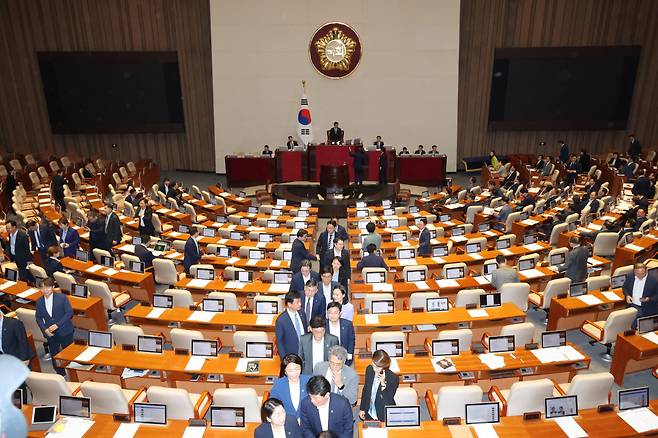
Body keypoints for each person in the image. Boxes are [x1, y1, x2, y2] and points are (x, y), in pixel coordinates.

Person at [35, 278, 73, 375]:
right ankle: (60, 373)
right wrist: (44, 330)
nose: (45, 290)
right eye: (42, 288)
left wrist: (57, 325)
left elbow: (69, 313)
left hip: (65, 330)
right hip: (50, 332)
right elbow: (38, 317)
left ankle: (73, 372)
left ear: (53, 287)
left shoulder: (62, 298)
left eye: (47, 287)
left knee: (69, 353)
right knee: (54, 354)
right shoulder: (39, 301)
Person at [359, 350, 399, 422]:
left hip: (383, 414)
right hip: (369, 412)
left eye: (378, 367)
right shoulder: (369, 369)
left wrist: (383, 384)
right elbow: (366, 390)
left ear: (384, 366)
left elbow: (387, 401)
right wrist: (362, 408)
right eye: (373, 365)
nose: (375, 369)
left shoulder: (392, 378)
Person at [270, 354, 310, 419]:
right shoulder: (278, 384)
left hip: (306, 421)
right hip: (286, 421)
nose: (294, 373)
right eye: (290, 371)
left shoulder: (308, 381)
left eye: (297, 369)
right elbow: (273, 405)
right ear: (285, 371)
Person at [275, 291, 308, 359]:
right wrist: (284, 359)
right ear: (289, 304)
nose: (300, 304)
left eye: (300, 301)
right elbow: (279, 342)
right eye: (297, 302)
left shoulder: (302, 313)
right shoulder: (281, 320)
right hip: (291, 355)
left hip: (305, 352)